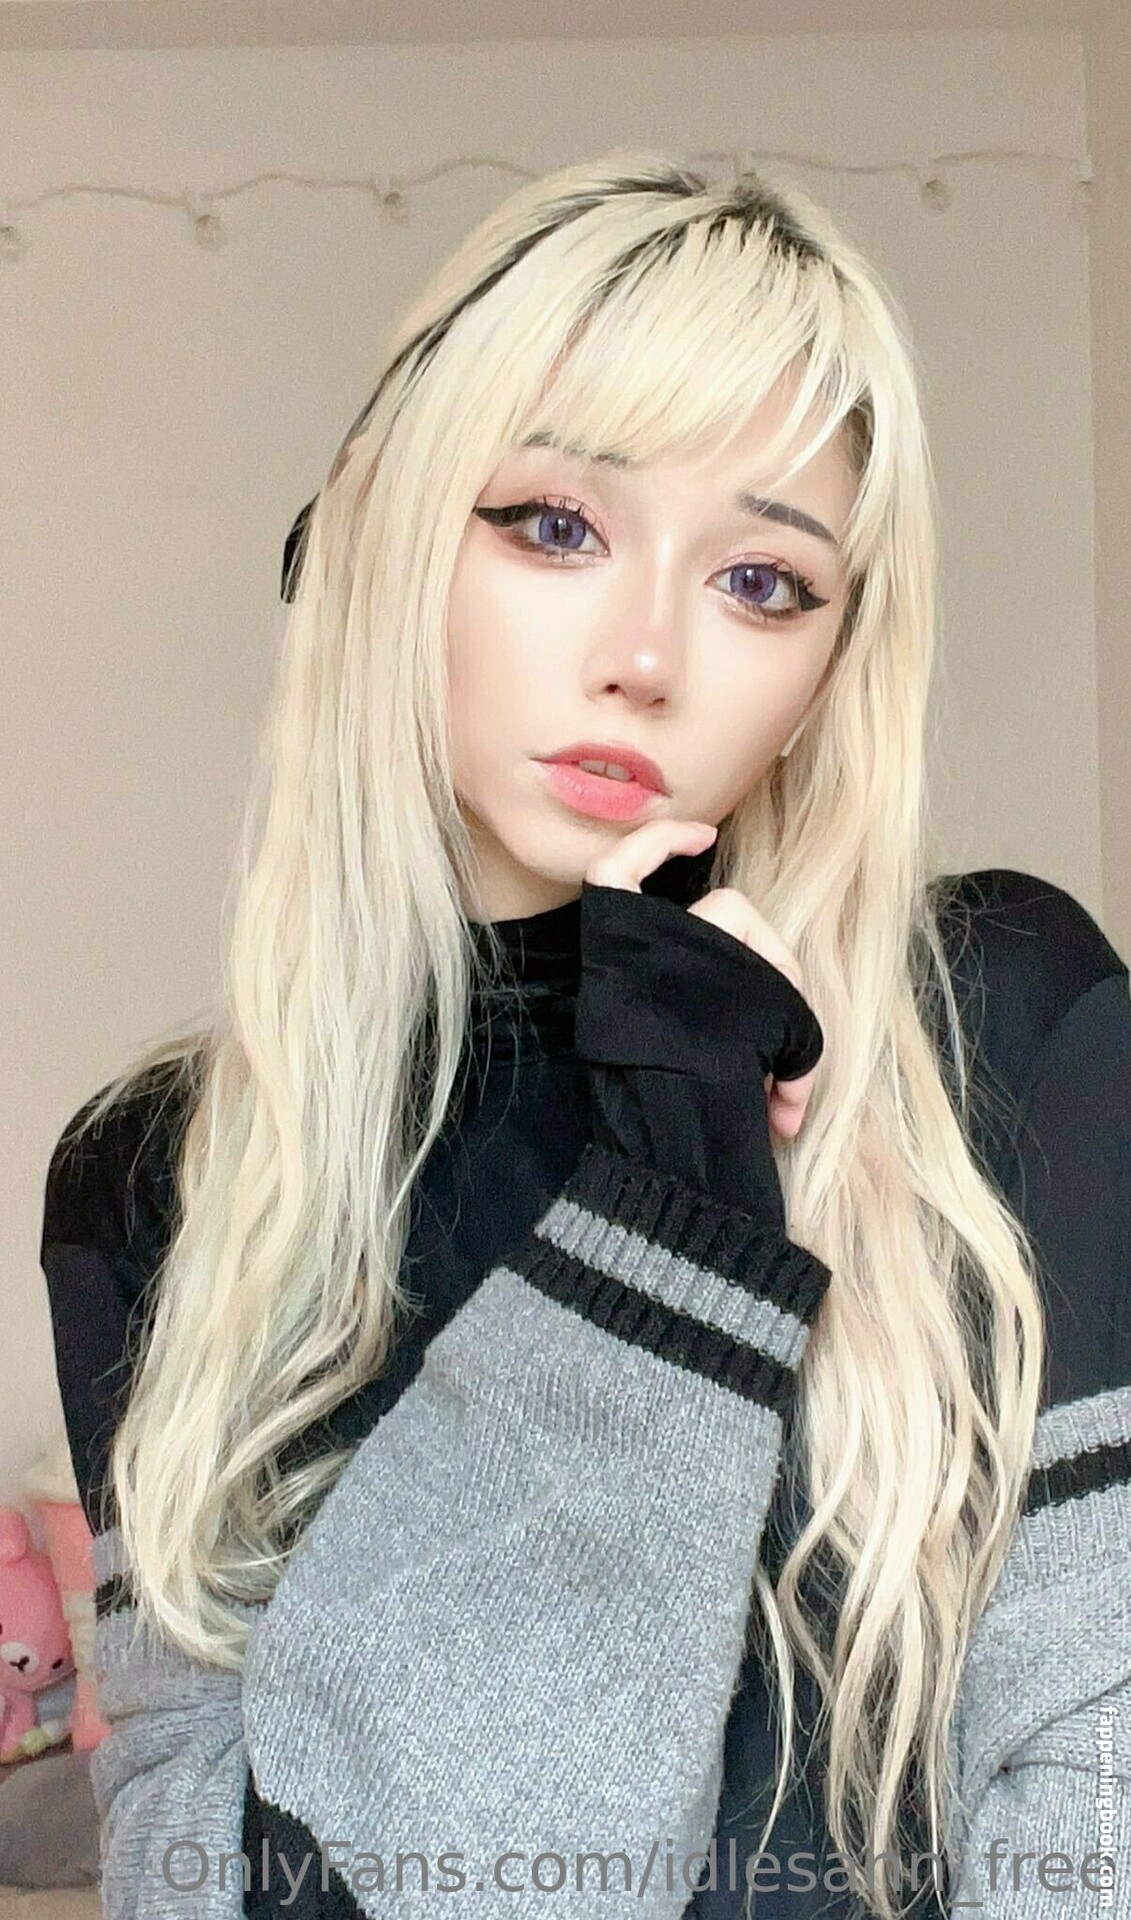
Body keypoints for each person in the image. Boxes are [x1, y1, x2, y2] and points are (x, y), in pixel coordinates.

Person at [38, 149, 1131, 1920]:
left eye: (763, 580)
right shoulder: (159, 1174)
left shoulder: (1004, 1021)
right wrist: (667, 1233)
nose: (646, 654)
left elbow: (1104, 1813)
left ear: (828, 675)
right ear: (390, 536)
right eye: (556, 526)